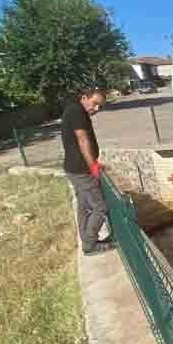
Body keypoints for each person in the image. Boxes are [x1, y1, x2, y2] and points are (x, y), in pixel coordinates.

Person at [61, 86, 111, 256]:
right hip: (81, 171)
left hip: (74, 169)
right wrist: (93, 165)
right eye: (95, 104)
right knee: (100, 207)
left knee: (84, 207)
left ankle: (87, 241)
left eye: (100, 106)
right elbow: (83, 139)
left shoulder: (74, 110)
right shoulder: (77, 112)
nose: (96, 109)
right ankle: (90, 245)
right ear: (84, 97)